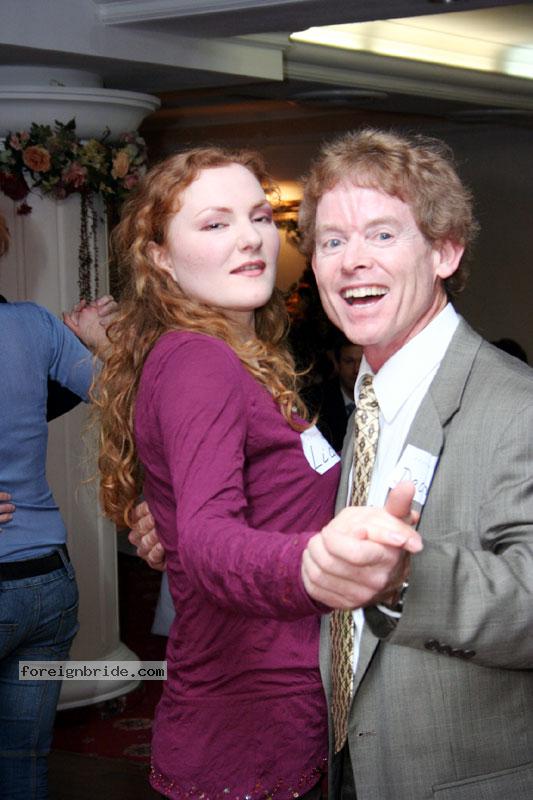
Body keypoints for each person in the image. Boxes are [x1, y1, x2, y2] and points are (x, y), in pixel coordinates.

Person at [93, 146, 422, 800]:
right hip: (245, 721)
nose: (249, 239)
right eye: (215, 224)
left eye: (258, 217)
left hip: (271, 706)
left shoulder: (233, 354)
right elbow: (209, 541)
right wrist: (317, 560)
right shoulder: (201, 362)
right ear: (160, 257)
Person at [294, 128, 533, 799]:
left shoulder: (517, 406)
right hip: (352, 763)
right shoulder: (366, 398)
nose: (352, 261)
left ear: (444, 252)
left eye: (382, 234)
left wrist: (404, 582)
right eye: (332, 241)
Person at [0, 213, 115, 800]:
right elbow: (126, 397)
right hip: (47, 584)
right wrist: (92, 342)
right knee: (22, 766)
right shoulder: (33, 324)